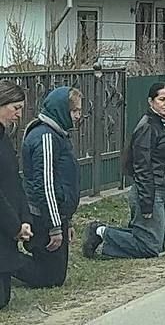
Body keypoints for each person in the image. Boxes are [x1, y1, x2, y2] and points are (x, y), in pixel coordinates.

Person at [84, 82, 165, 260]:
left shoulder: (161, 124)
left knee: (160, 245)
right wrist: (146, 201)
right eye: (162, 99)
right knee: (150, 247)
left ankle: (104, 238)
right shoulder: (147, 127)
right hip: (152, 190)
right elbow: (142, 166)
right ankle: (100, 232)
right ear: (151, 102)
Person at [17, 86, 81, 289]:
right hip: (43, 216)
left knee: (56, 276)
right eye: (74, 111)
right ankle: (7, 262)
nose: (78, 116)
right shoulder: (45, 137)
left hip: (56, 215)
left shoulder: (57, 135)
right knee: (49, 278)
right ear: (62, 110)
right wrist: (55, 226)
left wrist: (67, 221)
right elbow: (45, 185)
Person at [0, 80, 31, 309]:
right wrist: (14, 225)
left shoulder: (4, 137)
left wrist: (24, 219)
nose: (19, 115)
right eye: (16, 108)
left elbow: (14, 181)